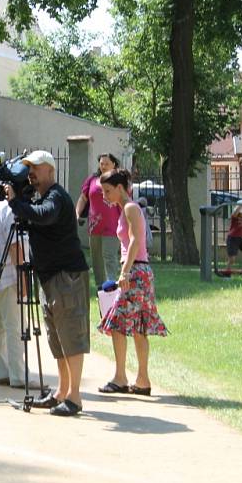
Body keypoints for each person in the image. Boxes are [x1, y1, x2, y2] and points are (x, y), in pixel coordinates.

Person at [5, 150, 90, 416]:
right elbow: (36, 218)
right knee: (58, 339)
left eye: (36, 168)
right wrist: (21, 202)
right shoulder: (39, 197)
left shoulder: (56, 197)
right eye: (28, 168)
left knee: (71, 337)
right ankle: (61, 392)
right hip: (50, 276)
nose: (30, 172)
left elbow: (44, 215)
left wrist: (17, 204)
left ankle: (74, 398)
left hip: (67, 276)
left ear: (50, 170)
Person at [97, 169, 168, 396]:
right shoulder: (127, 208)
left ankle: (120, 378)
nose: (105, 196)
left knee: (117, 323)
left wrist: (125, 272)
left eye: (108, 191)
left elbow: (136, 240)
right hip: (139, 271)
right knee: (138, 325)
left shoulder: (129, 208)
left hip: (135, 271)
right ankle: (142, 381)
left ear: (120, 188)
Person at [0, 197, 33, 388]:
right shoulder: (8, 210)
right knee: (16, 327)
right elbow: (15, 247)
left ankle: (1, 373)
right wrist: (23, 280)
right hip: (9, 277)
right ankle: (18, 376)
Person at [75, 153, 121, 287]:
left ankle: (111, 290)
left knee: (109, 258)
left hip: (113, 227)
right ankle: (101, 292)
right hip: (94, 227)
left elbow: (124, 201)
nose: (104, 166)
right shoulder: (92, 180)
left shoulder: (118, 180)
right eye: (101, 164)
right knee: (96, 262)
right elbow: (83, 198)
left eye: (107, 163)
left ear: (114, 164)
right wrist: (76, 213)